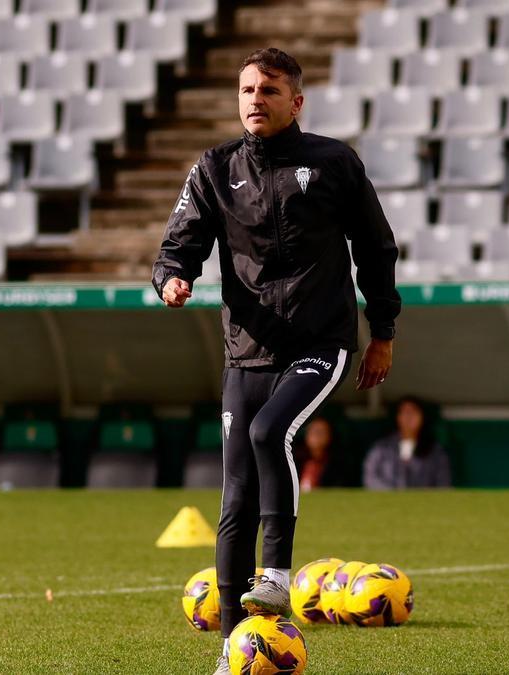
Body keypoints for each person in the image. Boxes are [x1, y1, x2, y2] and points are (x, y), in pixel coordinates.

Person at [152, 48, 401, 674]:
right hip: (246, 350)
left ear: (297, 101)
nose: (254, 99)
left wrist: (384, 329)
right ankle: (232, 649)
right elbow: (179, 243)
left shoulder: (334, 163)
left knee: (272, 431)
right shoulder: (214, 168)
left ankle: (278, 575)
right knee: (234, 497)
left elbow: (376, 247)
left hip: (322, 342)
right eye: (245, 90)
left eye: (268, 89)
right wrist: (172, 278)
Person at [363, 396, 451, 490]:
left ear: (422, 417)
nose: (408, 417)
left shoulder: (435, 451)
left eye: (413, 412)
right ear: (398, 417)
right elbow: (370, 478)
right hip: (387, 500)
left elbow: (443, 484)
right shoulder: (382, 448)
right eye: (404, 412)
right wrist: (392, 495)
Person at [298, 417, 333, 492]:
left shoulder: (337, 462)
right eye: (314, 432)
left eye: (321, 432)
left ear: (329, 436)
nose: (317, 436)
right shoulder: (295, 458)